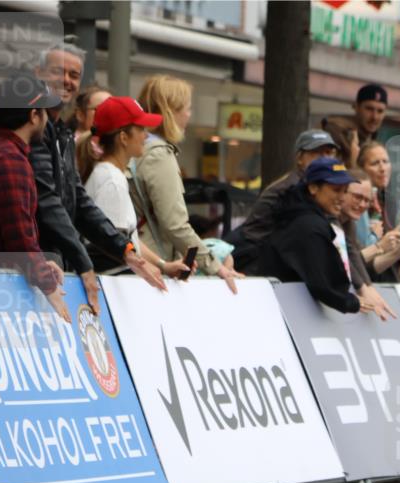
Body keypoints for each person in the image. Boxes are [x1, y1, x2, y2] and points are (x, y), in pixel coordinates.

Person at [32, 43, 164, 313]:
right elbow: (47, 202)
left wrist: (126, 251)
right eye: (58, 71)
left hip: (56, 269)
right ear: (38, 73)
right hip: (34, 271)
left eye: (74, 75)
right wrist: (85, 262)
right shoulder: (33, 132)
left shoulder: (62, 134)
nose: (66, 81)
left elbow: (79, 203)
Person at [0, 72, 69, 320]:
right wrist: (48, 285)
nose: (47, 120)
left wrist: (40, 266)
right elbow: (19, 235)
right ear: (33, 116)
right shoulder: (9, 159)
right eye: (44, 112)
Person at [131, 74, 242, 293]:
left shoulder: (140, 148)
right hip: (148, 271)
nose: (189, 115)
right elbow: (175, 225)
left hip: (138, 263)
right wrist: (215, 266)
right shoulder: (159, 155)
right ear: (170, 111)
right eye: (187, 108)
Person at [80, 95, 188, 279]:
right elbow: (109, 251)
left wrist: (163, 265)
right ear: (123, 138)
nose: (146, 135)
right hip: (112, 287)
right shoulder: (112, 180)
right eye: (141, 129)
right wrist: (144, 269)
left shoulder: (111, 175)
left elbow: (128, 241)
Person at [261, 157, 376, 315]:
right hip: (281, 311)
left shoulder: (301, 215)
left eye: (344, 191)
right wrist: (351, 302)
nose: (342, 197)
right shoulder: (309, 226)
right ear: (313, 188)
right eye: (336, 190)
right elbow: (322, 283)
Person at [227, 129, 339, 274]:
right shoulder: (290, 189)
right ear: (299, 158)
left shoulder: (318, 186)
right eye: (317, 153)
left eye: (329, 153)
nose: (325, 159)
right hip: (257, 260)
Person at [337, 169, 398, 320]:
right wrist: (364, 288)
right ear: (341, 192)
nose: (362, 204)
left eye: (367, 200)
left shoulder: (349, 223)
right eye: (357, 197)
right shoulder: (330, 220)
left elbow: (354, 258)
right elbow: (343, 259)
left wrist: (367, 287)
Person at [357, 141, 400, 282]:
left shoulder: (391, 201)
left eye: (385, 161)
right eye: (375, 163)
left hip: (390, 279)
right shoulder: (355, 204)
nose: (382, 168)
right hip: (364, 279)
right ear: (362, 169)